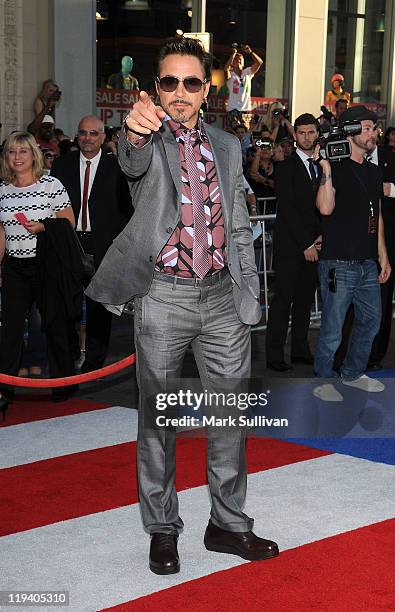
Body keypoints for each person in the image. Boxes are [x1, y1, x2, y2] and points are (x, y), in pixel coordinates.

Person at [86, 36, 279, 574]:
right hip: (164, 296)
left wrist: (249, 290)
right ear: (156, 88)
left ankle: (228, 524)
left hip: (221, 297)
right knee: (158, 423)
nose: (179, 92)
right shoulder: (146, 138)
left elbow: (239, 221)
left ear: (205, 90)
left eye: (190, 82)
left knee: (229, 417)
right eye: (168, 82)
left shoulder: (226, 143)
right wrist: (131, 129)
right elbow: (130, 161)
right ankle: (162, 529)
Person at [313, 106, 391, 402]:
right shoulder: (335, 167)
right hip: (338, 264)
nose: (374, 133)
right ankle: (322, 379)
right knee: (332, 330)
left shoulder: (372, 171)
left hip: (367, 263)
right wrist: (326, 172)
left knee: (372, 321)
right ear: (350, 130)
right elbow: (325, 208)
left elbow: (377, 214)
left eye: (375, 129)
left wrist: (382, 255)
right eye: (369, 128)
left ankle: (353, 373)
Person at [0, 132, 76, 415]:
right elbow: (2, 232)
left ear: (33, 154)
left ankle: (64, 387)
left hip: (47, 265)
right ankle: (3, 392)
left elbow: (68, 220)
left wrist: (43, 226)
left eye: (23, 151)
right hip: (15, 268)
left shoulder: (50, 184)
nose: (17, 157)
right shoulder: (2, 190)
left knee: (55, 326)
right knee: (9, 332)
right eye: (11, 152)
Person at [51, 115, 132, 373]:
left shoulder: (116, 167)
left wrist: (118, 242)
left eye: (93, 134)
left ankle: (94, 364)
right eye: (83, 133)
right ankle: (72, 355)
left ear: (103, 137)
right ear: (77, 136)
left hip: (103, 246)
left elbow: (125, 210)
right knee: (68, 305)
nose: (87, 138)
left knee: (99, 309)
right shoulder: (62, 165)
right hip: (69, 244)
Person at [265, 114, 322, 372]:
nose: (307, 136)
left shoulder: (323, 166)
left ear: (317, 134)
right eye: (302, 132)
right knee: (282, 302)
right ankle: (274, 355)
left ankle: (300, 349)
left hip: (316, 246)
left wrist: (322, 237)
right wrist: (306, 244)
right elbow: (287, 209)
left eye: (311, 132)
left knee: (304, 302)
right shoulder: (285, 167)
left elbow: (325, 207)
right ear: (295, 136)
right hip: (292, 248)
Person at [224, 45, 263, 124]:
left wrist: (250, 52)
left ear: (244, 63)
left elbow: (259, 62)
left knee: (245, 133)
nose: (238, 61)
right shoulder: (231, 74)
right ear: (232, 63)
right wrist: (233, 54)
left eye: (240, 59)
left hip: (246, 109)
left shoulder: (247, 72)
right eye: (236, 60)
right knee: (233, 134)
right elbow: (226, 69)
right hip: (233, 109)